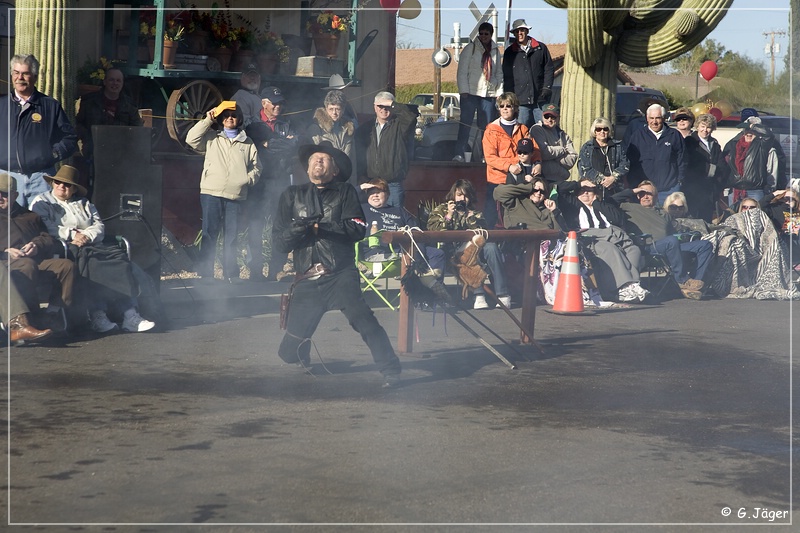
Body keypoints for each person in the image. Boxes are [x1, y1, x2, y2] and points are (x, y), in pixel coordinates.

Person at [273, 144, 402, 388]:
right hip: (306, 278)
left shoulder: (345, 192)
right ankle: (302, 355)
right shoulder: (291, 195)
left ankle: (391, 370)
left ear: (335, 170)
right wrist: (297, 229)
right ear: (307, 168)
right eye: (313, 158)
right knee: (288, 351)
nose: (318, 161)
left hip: (340, 274)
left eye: (324, 158)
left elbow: (356, 229)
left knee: (365, 321)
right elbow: (279, 243)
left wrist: (319, 227)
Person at [30, 166, 156, 333]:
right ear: (53, 183)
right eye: (58, 182)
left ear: (74, 188)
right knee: (91, 264)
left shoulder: (84, 203)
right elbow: (46, 227)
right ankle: (99, 313)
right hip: (63, 247)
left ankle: (129, 314)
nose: (62, 186)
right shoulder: (42, 202)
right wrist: (72, 234)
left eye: (67, 184)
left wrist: (87, 236)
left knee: (119, 261)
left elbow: (99, 226)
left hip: (92, 244)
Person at [186, 102, 261, 283]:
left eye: (233, 115)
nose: (229, 118)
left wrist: (247, 180)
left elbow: (257, 167)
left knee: (232, 236)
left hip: (235, 195)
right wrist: (207, 120)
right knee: (209, 234)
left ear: (239, 119)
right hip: (211, 192)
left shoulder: (248, 142)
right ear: (221, 118)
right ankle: (206, 274)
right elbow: (191, 139)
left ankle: (231, 274)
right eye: (226, 115)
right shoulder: (212, 138)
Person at [1, 172, 76, 340]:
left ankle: (51, 314)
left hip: (32, 259)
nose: (0, 197)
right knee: (27, 265)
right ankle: (27, 320)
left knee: (66, 266)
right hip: (4, 263)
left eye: (4, 194)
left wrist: (36, 245)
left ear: (15, 195)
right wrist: (4, 252)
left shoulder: (29, 215)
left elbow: (47, 238)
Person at [0, 54, 78, 208]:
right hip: (5, 178)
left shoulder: (50, 106)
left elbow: (69, 138)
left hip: (40, 179)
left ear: (34, 77)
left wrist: (52, 154)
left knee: (41, 225)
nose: (20, 77)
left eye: (25, 73)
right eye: (16, 73)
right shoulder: (1, 104)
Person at [614, 181, 713, 300]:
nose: (645, 196)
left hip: (671, 246)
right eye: (641, 193)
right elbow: (609, 201)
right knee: (671, 241)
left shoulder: (664, 213)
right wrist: (632, 191)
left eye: (649, 194)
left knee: (705, 245)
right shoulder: (629, 207)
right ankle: (682, 280)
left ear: (656, 196)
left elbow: (677, 228)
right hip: (649, 247)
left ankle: (694, 283)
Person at [555, 180, 647, 303]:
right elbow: (560, 189)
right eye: (582, 191)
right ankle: (621, 287)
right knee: (609, 249)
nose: (585, 193)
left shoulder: (603, 205)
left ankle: (632, 285)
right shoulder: (573, 205)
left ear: (596, 193)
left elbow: (617, 218)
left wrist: (597, 203)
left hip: (614, 236)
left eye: (589, 191)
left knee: (633, 250)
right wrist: (579, 184)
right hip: (591, 238)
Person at [427, 179, 511, 310]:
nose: (462, 198)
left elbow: (483, 232)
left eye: (465, 195)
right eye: (459, 195)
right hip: (452, 252)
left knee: (491, 248)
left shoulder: (475, 213)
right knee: (472, 250)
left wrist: (470, 218)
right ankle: (478, 295)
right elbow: (433, 229)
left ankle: (503, 294)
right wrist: (449, 215)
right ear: (453, 196)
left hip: (474, 249)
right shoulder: (442, 209)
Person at [245, 86, 299, 281]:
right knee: (255, 225)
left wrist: (270, 144)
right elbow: (283, 144)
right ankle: (256, 269)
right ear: (264, 103)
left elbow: (294, 146)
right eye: (274, 103)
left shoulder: (288, 123)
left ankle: (276, 268)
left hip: (280, 181)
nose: (278, 106)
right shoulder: (252, 125)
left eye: (280, 103)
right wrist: (283, 143)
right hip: (259, 182)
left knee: (280, 226)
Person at [75, 67, 144, 199]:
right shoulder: (89, 101)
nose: (115, 84)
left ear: (122, 83)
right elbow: (79, 123)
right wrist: (87, 138)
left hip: (119, 156)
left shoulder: (129, 104)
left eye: (118, 81)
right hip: (94, 152)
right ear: (105, 81)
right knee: (93, 190)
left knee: (116, 191)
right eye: (111, 80)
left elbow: (137, 129)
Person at [359, 178, 445, 275]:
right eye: (371, 192)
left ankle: (430, 282)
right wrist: (360, 188)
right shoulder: (362, 209)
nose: (375, 195)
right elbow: (345, 200)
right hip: (379, 253)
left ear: (387, 195)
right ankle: (428, 283)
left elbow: (415, 231)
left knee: (437, 253)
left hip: (403, 250)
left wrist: (418, 251)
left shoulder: (399, 211)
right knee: (412, 257)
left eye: (379, 192)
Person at [355, 91, 418, 209]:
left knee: (395, 221)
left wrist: (392, 103)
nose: (384, 109)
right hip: (371, 183)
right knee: (371, 220)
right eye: (380, 106)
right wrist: (361, 176)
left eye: (387, 106)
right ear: (374, 107)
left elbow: (410, 117)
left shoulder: (400, 126)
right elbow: (359, 154)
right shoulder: (365, 128)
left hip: (393, 184)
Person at [482, 92, 535, 229]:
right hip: (497, 180)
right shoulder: (491, 131)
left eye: (508, 105)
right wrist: (509, 166)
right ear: (498, 108)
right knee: (492, 219)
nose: (505, 108)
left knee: (517, 218)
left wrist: (538, 163)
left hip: (519, 179)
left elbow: (535, 149)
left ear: (515, 108)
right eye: (502, 106)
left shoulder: (523, 129)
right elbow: (490, 157)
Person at [454, 21, 503, 162]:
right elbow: (462, 71)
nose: (483, 36)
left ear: (491, 34)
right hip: (470, 93)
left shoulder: (495, 51)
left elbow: (498, 73)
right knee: (466, 124)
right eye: (481, 34)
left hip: (488, 94)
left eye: (486, 34)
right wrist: (463, 90)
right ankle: (459, 154)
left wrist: (499, 92)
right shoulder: (471, 48)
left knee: (486, 127)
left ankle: (485, 155)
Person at [626, 103, 686, 204]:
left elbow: (682, 160)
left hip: (669, 189)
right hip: (644, 191)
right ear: (647, 118)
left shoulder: (674, 135)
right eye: (651, 118)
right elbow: (630, 161)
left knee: (668, 218)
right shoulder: (638, 136)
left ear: (663, 118)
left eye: (658, 118)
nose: (654, 122)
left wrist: (679, 181)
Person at [501, 18, 554, 128]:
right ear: (514, 34)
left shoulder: (541, 48)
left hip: (540, 99)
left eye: (522, 30)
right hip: (521, 101)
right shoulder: (509, 53)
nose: (519, 33)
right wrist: (510, 96)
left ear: (527, 31)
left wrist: (547, 88)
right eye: (517, 31)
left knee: (545, 128)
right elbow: (506, 76)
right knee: (522, 130)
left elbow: (549, 69)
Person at [305, 90, 356, 185]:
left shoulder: (348, 130)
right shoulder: (316, 129)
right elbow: (314, 158)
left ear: (343, 110)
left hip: (344, 180)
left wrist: (352, 184)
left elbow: (352, 161)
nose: (334, 113)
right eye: (331, 109)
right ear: (326, 108)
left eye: (337, 109)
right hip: (323, 180)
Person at [722, 121, 779, 205]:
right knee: (734, 217)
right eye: (747, 131)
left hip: (754, 190)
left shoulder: (761, 146)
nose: (749, 133)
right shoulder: (733, 145)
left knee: (754, 217)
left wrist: (752, 125)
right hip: (735, 191)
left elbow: (769, 135)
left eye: (753, 131)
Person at [682, 113, 726, 222]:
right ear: (697, 126)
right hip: (694, 187)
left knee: (707, 218)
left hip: (710, 188)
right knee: (694, 218)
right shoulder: (690, 141)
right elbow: (692, 164)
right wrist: (711, 169)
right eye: (702, 126)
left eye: (708, 127)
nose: (705, 130)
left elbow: (721, 164)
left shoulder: (714, 143)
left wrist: (718, 180)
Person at [578, 117, 629, 196]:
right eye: (598, 129)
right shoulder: (587, 147)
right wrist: (602, 180)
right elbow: (584, 168)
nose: (602, 132)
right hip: (594, 189)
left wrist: (613, 177)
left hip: (615, 188)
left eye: (605, 129)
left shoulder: (618, 146)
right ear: (594, 131)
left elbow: (625, 164)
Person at [528, 103, 577, 185]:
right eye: (546, 116)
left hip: (561, 179)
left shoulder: (563, 134)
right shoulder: (537, 129)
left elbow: (573, 158)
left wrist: (553, 158)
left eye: (553, 117)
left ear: (558, 118)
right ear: (542, 117)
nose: (549, 119)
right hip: (543, 179)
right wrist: (562, 150)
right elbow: (543, 153)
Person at [494, 175, 560, 230]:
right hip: (522, 241)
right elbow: (498, 192)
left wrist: (554, 211)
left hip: (546, 242)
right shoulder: (516, 201)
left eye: (542, 191)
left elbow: (559, 232)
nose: (538, 193)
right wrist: (529, 186)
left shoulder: (547, 210)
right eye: (535, 190)